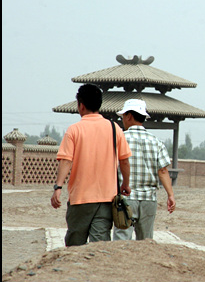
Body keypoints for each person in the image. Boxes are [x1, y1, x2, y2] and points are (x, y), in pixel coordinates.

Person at [51, 83, 132, 247]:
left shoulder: (74, 130)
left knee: (75, 243)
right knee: (100, 245)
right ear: (100, 104)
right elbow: (124, 160)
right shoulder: (114, 128)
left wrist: (58, 187)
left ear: (80, 105)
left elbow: (66, 160)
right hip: (107, 198)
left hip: (80, 198)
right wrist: (125, 184)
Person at [113, 99, 176, 241]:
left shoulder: (120, 139)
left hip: (126, 197)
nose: (122, 119)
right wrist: (170, 195)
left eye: (123, 116)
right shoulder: (156, 141)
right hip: (149, 199)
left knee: (121, 240)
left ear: (129, 116)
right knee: (146, 241)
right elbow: (163, 171)